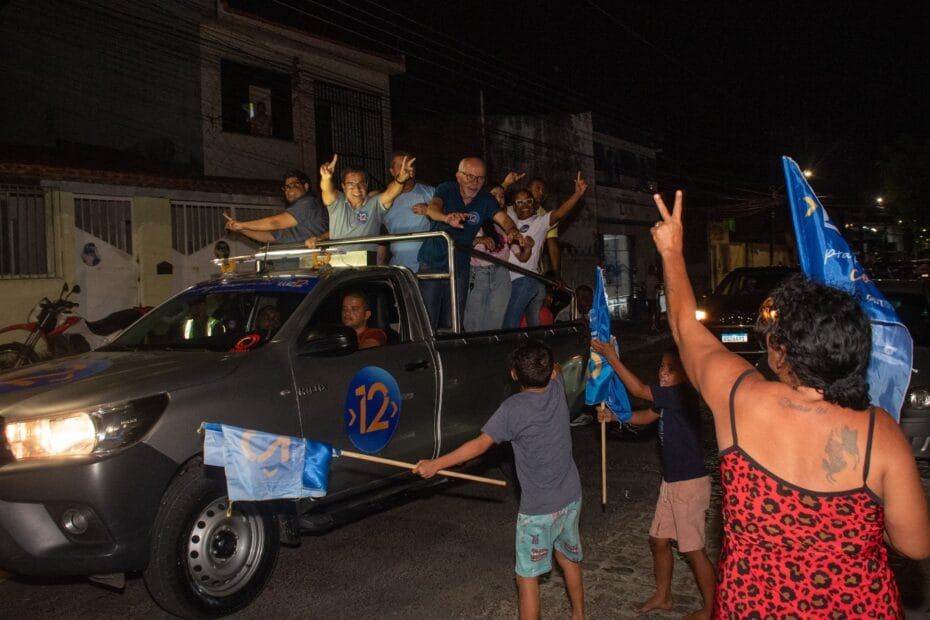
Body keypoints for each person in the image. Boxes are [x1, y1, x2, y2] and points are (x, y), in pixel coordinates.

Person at [651, 190, 930, 617]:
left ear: (783, 351)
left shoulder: (742, 400)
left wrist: (671, 249)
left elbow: (685, 329)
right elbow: (915, 544)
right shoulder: (881, 433)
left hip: (755, 607)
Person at [413, 340, 584, 620]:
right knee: (568, 558)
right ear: (551, 372)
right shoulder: (557, 388)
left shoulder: (513, 408)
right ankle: (579, 615)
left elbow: (479, 446)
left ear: (514, 375)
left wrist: (436, 464)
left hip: (539, 509)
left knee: (526, 578)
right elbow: (555, 369)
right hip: (570, 497)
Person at [591, 341, 714, 618]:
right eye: (661, 367)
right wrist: (614, 417)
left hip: (689, 484)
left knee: (694, 550)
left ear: (684, 374)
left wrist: (611, 357)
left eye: (670, 370)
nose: (663, 374)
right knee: (658, 540)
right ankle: (663, 596)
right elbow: (646, 416)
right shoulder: (668, 399)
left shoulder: (681, 394)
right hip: (671, 482)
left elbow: (637, 391)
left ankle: (711, 608)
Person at [414, 157, 524, 330]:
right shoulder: (447, 189)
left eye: (480, 178)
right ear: (459, 176)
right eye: (469, 177)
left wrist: (512, 230)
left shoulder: (485, 199)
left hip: (460, 265)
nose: (474, 183)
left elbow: (504, 219)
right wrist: (446, 218)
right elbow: (433, 208)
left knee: (454, 321)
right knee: (428, 319)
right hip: (433, 262)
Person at [502, 174, 588, 329]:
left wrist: (577, 195)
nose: (524, 205)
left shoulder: (540, 222)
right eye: (519, 203)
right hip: (506, 280)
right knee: (530, 324)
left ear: (534, 204)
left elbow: (560, 213)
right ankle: (536, 351)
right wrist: (505, 185)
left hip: (524, 280)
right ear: (514, 206)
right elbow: (491, 202)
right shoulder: (509, 217)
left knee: (510, 323)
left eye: (528, 201)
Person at [307, 153, 414, 256]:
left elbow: (391, 193)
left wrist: (401, 179)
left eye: (361, 184)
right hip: (337, 264)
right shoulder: (337, 202)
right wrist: (326, 178)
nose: (357, 189)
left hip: (365, 266)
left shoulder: (375, 204)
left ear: (366, 185)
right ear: (343, 186)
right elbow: (327, 190)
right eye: (351, 185)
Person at [463, 185, 526, 332]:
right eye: (494, 195)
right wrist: (478, 240)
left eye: (502, 195)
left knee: (496, 323)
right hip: (477, 274)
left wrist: (527, 246)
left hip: (501, 274)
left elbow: (521, 256)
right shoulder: (471, 217)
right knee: (474, 323)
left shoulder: (505, 224)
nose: (499, 199)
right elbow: (456, 241)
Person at [223, 169, 328, 244]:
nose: (288, 190)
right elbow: (269, 236)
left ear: (305, 186)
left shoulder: (309, 203)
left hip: (306, 263)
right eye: (286, 187)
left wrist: (243, 224)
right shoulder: (294, 211)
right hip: (290, 264)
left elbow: (275, 222)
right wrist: (241, 229)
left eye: (293, 185)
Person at [380, 150, 435, 272]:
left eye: (410, 164)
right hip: (398, 268)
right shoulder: (384, 199)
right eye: (401, 166)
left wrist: (430, 211)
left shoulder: (432, 193)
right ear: (392, 171)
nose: (406, 169)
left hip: (428, 266)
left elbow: (448, 219)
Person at [527, 177, 563, 321]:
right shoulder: (513, 209)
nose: (541, 192)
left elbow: (553, 246)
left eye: (543, 190)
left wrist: (556, 274)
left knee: (536, 308)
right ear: (528, 190)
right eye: (537, 188)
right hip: (513, 269)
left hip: (535, 271)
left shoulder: (546, 216)